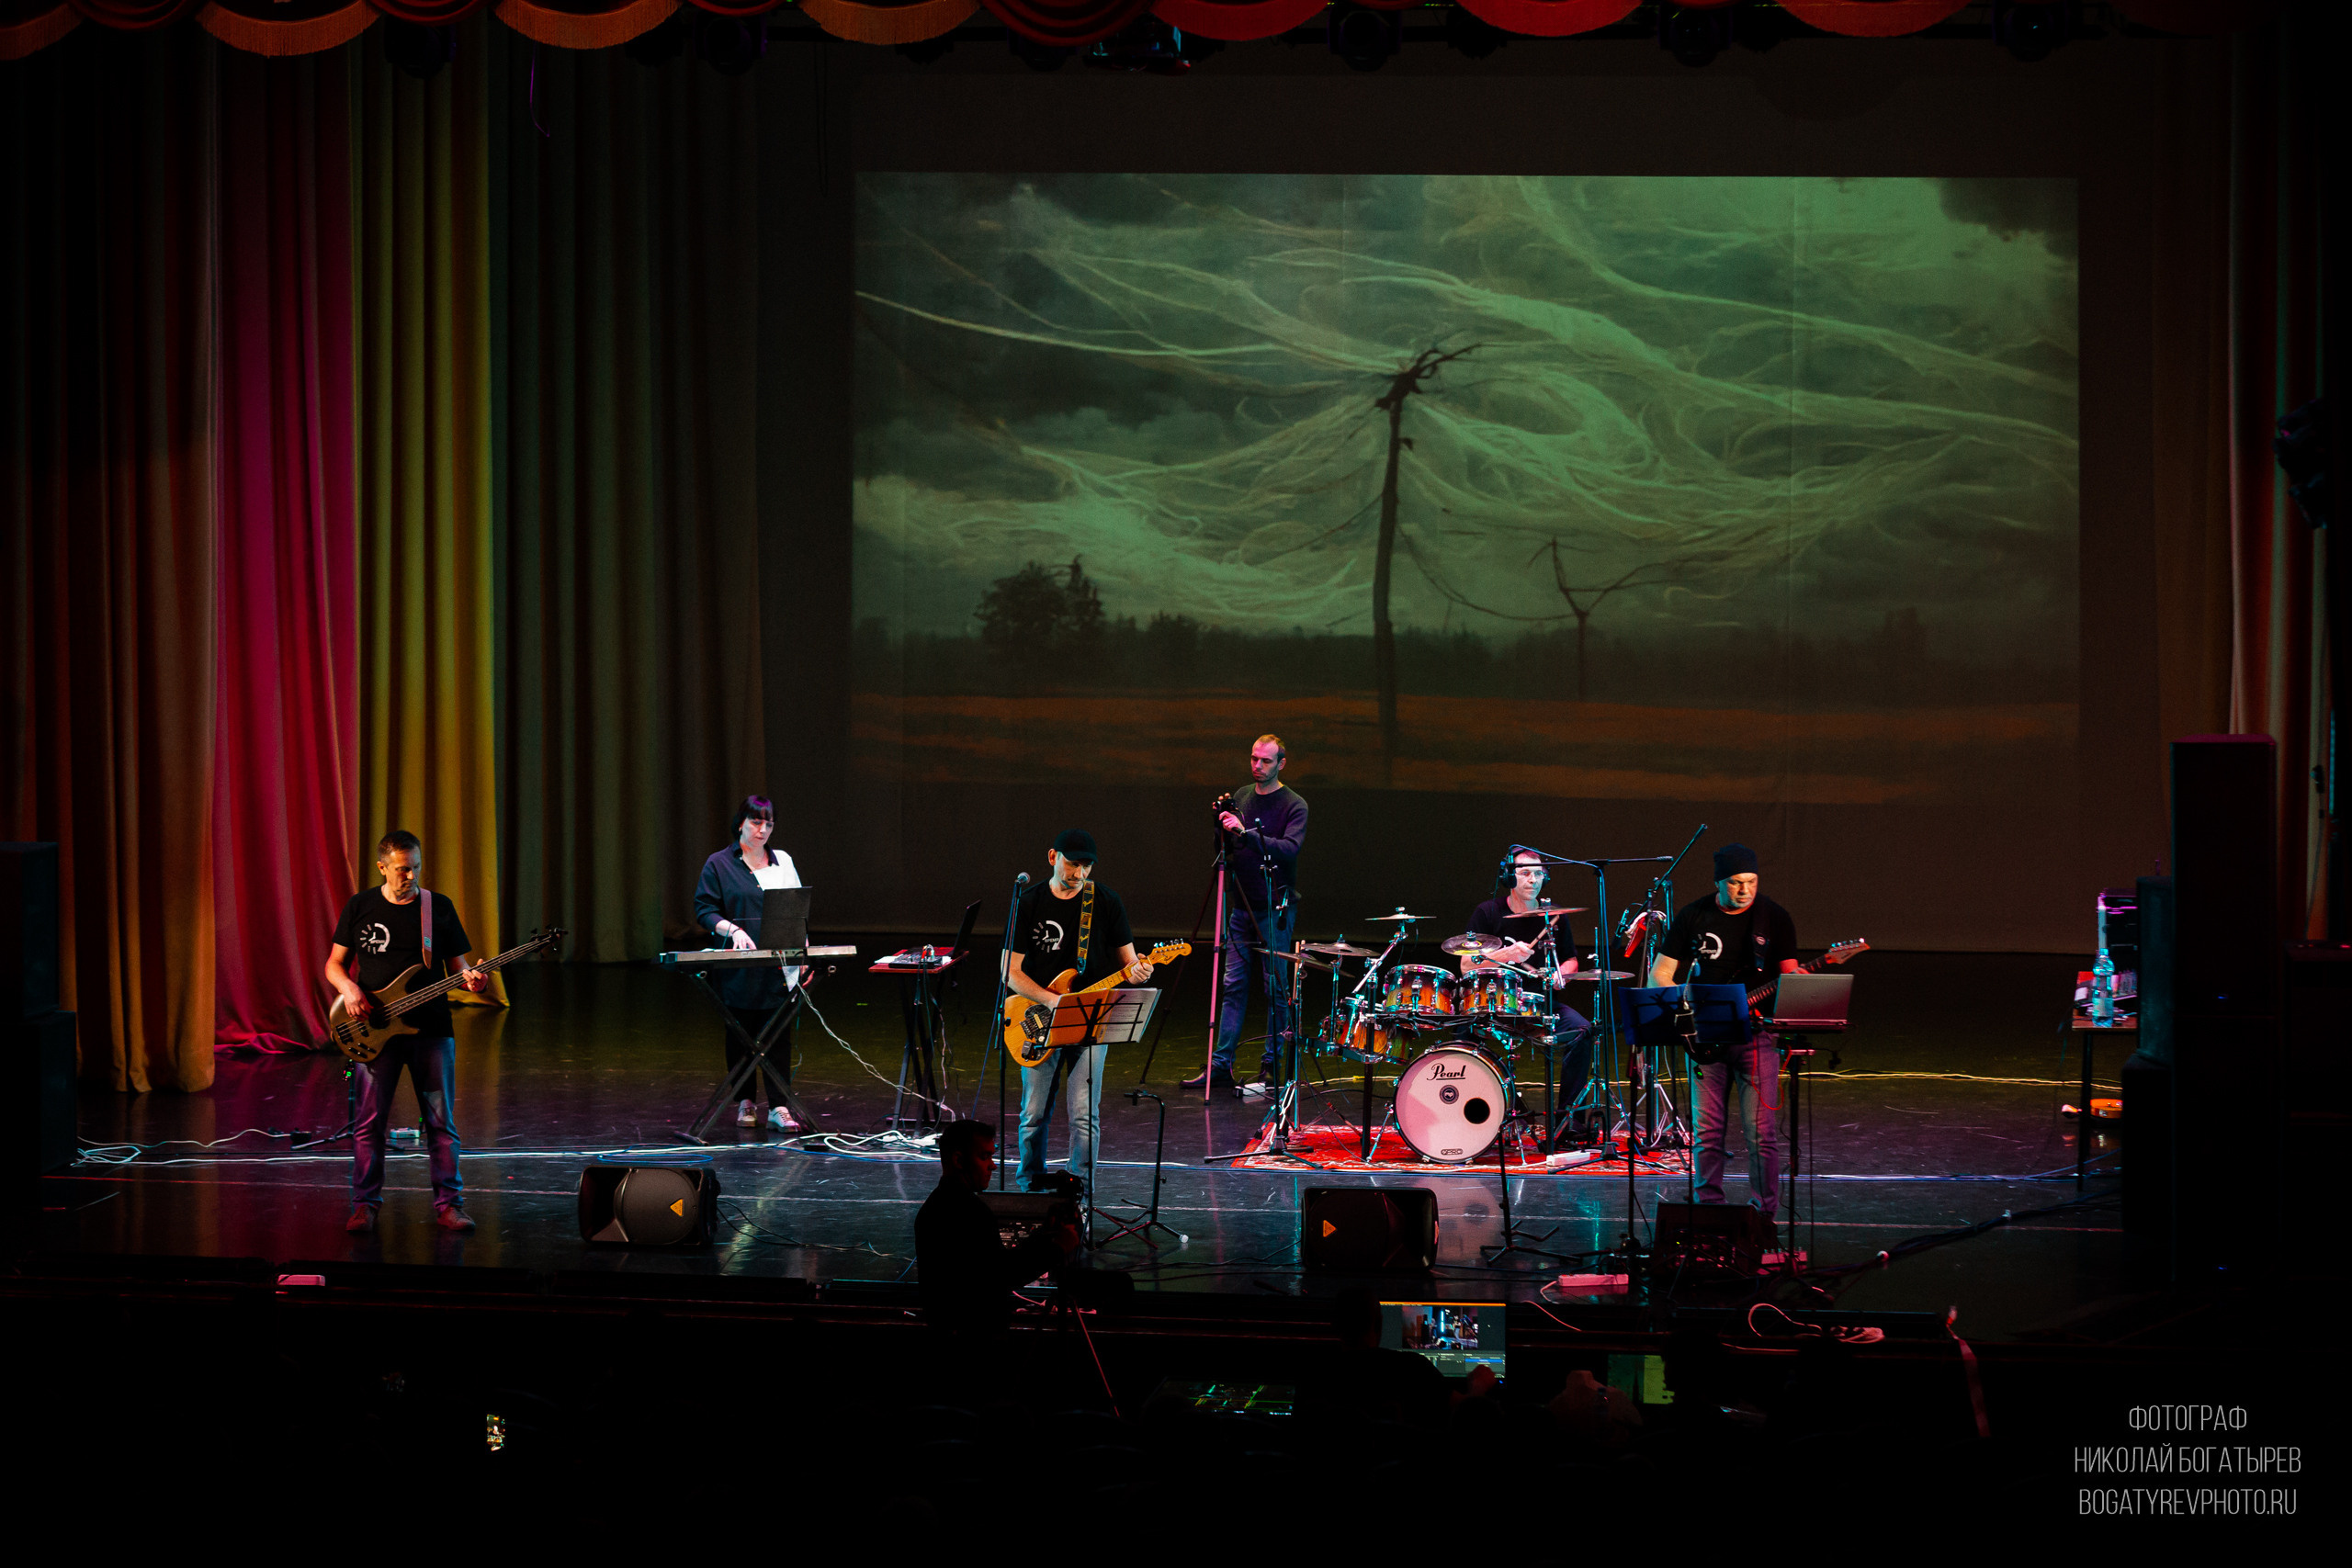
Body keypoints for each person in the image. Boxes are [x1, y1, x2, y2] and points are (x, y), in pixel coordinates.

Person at [325, 829, 490, 1234]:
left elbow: (460, 968)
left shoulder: (439, 908)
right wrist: (348, 988)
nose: (411, 877)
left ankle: (450, 1205)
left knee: (440, 1122)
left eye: (415, 868)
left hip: (431, 1029)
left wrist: (474, 981)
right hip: (373, 1031)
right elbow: (334, 964)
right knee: (369, 1124)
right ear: (382, 867)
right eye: (402, 870)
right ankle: (365, 1206)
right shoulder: (360, 906)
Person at [1650, 842, 1801, 1221]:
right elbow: (1660, 975)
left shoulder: (1774, 917)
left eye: (1751, 882)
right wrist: (1685, 1011)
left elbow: (1790, 976)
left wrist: (1797, 985)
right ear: (1719, 882)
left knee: (1762, 1134)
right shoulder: (1693, 915)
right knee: (1707, 1133)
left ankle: (1763, 1214)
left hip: (1758, 1037)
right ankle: (1708, 1211)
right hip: (1705, 1037)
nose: (1745, 890)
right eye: (1735, 883)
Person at [1003, 829, 1155, 1201]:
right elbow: (1010, 971)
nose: (1080, 874)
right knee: (1033, 1115)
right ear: (1053, 857)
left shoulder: (1105, 901)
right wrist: (1051, 1000)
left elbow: (1129, 962)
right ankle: (1030, 1190)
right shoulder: (1029, 900)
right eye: (1073, 864)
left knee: (1085, 1116)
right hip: (1039, 1019)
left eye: (1086, 866)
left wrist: (1141, 970)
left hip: (1090, 1021)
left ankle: (1080, 1195)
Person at [1187, 733, 1309, 1092]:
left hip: (1275, 908)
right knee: (1233, 987)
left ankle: (1272, 1067)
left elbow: (1289, 848)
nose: (1257, 766)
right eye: (1254, 759)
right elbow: (1226, 848)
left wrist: (1246, 832)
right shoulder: (1242, 795)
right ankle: (1220, 1066)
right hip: (1240, 906)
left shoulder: (1294, 804)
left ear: (1281, 763)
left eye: (1265, 761)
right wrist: (1219, 826)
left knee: (1275, 988)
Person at [694, 794, 804, 1132]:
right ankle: (745, 1102)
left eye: (768, 824)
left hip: (778, 968)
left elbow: (796, 907)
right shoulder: (719, 864)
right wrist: (733, 929)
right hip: (738, 970)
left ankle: (780, 1106)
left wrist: (803, 945)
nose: (762, 830)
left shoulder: (782, 861)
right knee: (741, 1037)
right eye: (756, 822)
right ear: (741, 822)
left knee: (778, 1040)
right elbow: (705, 910)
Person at [1462, 849, 1594, 1130]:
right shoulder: (1488, 912)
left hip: (1541, 1005)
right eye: (1524, 873)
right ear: (1510, 877)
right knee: (1463, 1035)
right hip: (1495, 1004)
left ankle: (1568, 1121)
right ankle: (1493, 1113)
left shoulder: (1554, 916)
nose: (1532, 879)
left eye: (1537, 873)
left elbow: (1571, 959)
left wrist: (1563, 974)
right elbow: (1465, 965)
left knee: (1583, 1031)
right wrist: (1506, 954)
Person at [915, 1120, 1081, 1343]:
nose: (992, 1165)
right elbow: (1001, 1275)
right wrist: (1057, 1247)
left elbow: (991, 1268)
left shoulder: (939, 1205)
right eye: (984, 1157)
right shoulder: (967, 1211)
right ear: (958, 1160)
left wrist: (1043, 1238)